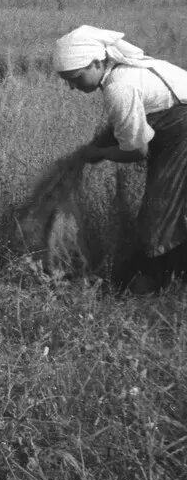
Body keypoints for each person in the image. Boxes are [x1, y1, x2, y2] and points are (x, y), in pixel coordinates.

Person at [54, 25, 187, 291]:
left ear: (95, 63)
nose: (71, 86)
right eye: (66, 80)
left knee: (159, 216)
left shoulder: (119, 88)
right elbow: (121, 129)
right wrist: (92, 148)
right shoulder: (126, 72)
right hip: (177, 132)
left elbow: (137, 151)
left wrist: (99, 154)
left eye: (75, 77)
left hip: (181, 137)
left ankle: (155, 285)